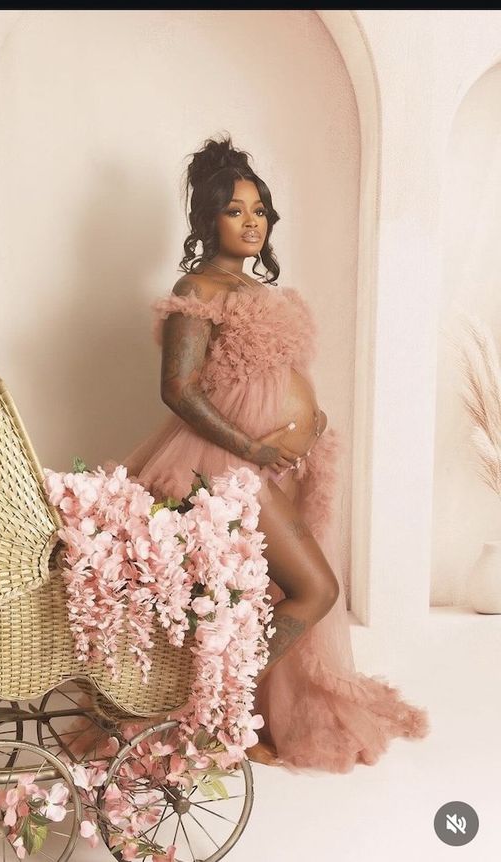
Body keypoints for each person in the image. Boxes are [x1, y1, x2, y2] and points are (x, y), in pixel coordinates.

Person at [121, 133, 430, 774]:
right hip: (223, 465)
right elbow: (177, 389)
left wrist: (303, 433)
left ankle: (241, 712)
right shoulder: (198, 288)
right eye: (236, 209)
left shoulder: (257, 289)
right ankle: (215, 711)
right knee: (315, 588)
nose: (252, 220)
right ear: (208, 219)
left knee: (269, 592)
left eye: (259, 208)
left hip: (267, 466)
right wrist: (252, 446)